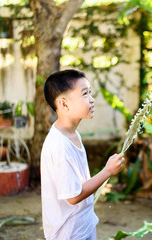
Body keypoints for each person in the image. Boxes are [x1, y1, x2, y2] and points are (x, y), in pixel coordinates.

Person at [41, 69, 125, 240]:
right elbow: (73, 196)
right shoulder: (59, 145)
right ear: (64, 104)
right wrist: (107, 171)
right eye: (85, 94)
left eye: (90, 92)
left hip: (81, 225)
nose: (92, 100)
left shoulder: (73, 134)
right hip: (68, 233)